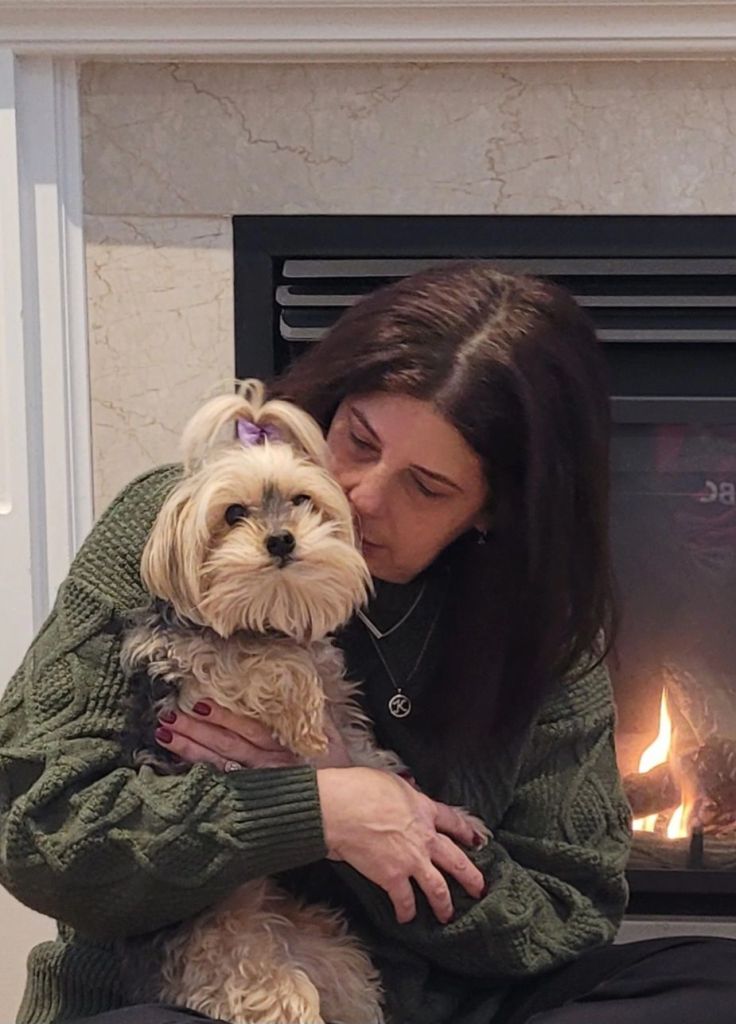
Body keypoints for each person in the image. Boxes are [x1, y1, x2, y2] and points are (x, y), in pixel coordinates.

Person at [0, 262, 733, 1024]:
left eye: (427, 487)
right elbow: (38, 831)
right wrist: (314, 809)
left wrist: (380, 820)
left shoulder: (536, 612)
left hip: (444, 1004)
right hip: (181, 993)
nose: (362, 498)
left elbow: (566, 917)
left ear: (493, 510)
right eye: (357, 440)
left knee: (713, 981)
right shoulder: (180, 518)